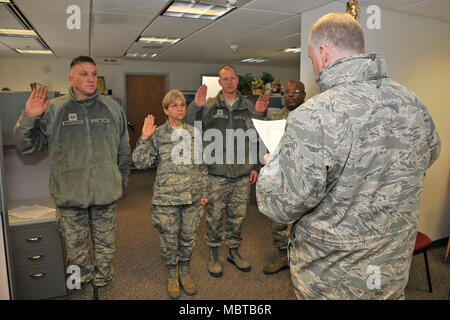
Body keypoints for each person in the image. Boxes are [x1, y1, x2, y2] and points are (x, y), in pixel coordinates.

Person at [256, 13, 440, 299]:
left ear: (323, 52)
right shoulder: (412, 103)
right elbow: (429, 154)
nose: (314, 66)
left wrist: (274, 167)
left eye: (311, 57)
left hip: (332, 280)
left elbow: (280, 207)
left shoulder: (313, 116)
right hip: (390, 269)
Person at [13, 56, 132, 300]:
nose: (91, 79)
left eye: (93, 74)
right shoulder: (55, 109)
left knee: (106, 250)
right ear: (71, 78)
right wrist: (29, 117)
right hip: (69, 197)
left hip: (105, 195)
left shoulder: (112, 108)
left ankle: (103, 287)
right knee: (77, 253)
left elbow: (123, 150)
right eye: (84, 74)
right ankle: (84, 288)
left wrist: (121, 183)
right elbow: (26, 147)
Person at [184, 65, 269, 277]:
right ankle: (214, 254)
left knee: (237, 216)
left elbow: (258, 137)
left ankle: (233, 251)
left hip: (241, 172)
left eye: (232, 78)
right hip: (216, 173)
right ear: (220, 82)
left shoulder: (249, 107)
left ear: (237, 80)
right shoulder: (210, 105)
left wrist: (256, 166)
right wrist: (196, 107)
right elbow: (190, 128)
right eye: (225, 79)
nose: (229, 82)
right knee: (214, 216)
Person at [132, 89, 208, 299]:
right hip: (167, 200)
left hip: (192, 197)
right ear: (166, 110)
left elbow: (202, 165)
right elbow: (140, 162)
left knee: (189, 238)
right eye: (174, 105)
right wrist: (144, 138)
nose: (180, 108)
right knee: (169, 240)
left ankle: (184, 271)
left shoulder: (194, 133)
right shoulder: (158, 135)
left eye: (182, 104)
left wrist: (204, 191)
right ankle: (172, 275)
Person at [262, 80, 306, 275]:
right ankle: (283, 256)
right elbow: (267, 142)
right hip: (280, 177)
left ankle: (302, 259)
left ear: (303, 95)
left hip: (304, 178)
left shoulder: (312, 116)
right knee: (278, 219)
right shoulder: (276, 117)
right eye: (287, 91)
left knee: (305, 220)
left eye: (295, 91)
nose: (290, 94)